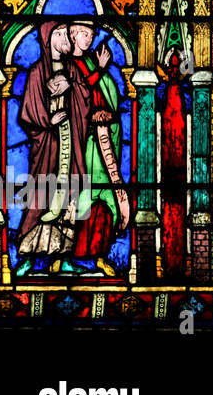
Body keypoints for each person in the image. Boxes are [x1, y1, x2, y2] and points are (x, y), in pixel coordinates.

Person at [16, 22, 91, 274]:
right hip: (47, 148)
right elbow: (27, 113)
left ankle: (64, 256)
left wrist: (72, 90)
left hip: (70, 147)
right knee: (40, 198)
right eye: (59, 33)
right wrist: (48, 121)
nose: (64, 37)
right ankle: (27, 256)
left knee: (68, 201)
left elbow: (85, 102)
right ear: (48, 40)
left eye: (64, 32)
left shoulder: (72, 70)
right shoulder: (37, 72)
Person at [67, 20, 130, 276]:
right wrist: (101, 70)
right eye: (83, 34)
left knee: (106, 200)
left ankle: (100, 256)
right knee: (82, 198)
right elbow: (76, 96)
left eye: (91, 34)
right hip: (81, 144)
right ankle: (69, 255)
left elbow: (108, 95)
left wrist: (108, 115)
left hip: (102, 140)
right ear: (72, 36)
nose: (88, 39)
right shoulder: (66, 65)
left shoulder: (93, 64)